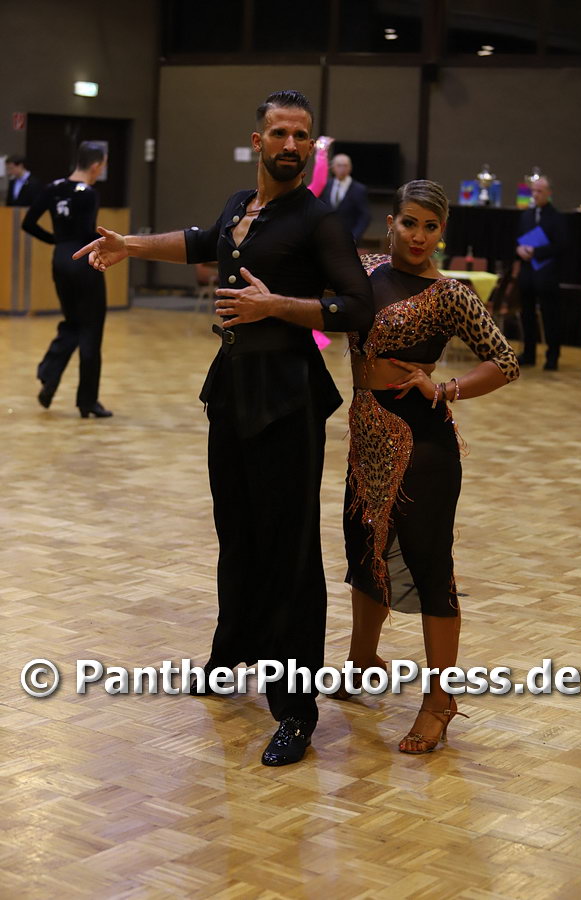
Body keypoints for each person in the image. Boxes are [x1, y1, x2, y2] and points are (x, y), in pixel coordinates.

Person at [73, 90, 373, 766]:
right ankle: (230, 655)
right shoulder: (242, 205)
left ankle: (295, 709)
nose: (291, 145)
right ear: (258, 140)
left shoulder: (318, 219)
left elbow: (357, 306)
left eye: (301, 135)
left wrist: (277, 306)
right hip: (234, 391)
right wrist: (130, 245)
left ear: (311, 144)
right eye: (279, 133)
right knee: (237, 535)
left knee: (290, 553)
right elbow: (203, 242)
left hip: (288, 400)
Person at [336, 180, 519, 754]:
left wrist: (446, 388)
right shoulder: (364, 270)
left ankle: (440, 701)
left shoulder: (451, 294)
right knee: (365, 548)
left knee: (428, 563)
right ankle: (362, 661)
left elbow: (505, 361)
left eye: (431, 227)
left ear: (442, 232)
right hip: (367, 435)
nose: (418, 236)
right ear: (390, 222)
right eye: (409, 222)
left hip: (423, 443)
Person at [22, 142, 112, 417]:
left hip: (60, 260)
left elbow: (28, 223)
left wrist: (56, 241)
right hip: (83, 262)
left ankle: (49, 375)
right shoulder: (89, 194)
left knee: (72, 322)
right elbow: (86, 233)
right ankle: (87, 402)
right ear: (95, 165)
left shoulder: (53, 187)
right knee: (91, 329)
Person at [516, 176, 567, 371]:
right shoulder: (526, 216)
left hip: (547, 275)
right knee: (527, 315)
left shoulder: (557, 217)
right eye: (533, 191)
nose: (535, 195)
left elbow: (561, 246)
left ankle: (552, 357)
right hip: (528, 274)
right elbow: (519, 240)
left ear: (549, 193)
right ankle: (529, 353)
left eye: (539, 191)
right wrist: (520, 250)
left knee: (550, 317)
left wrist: (536, 252)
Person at [321, 153, 371, 244]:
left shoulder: (359, 189)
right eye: (339, 165)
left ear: (350, 168)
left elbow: (365, 216)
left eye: (345, 165)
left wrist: (354, 237)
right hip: (326, 236)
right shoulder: (325, 185)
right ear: (333, 168)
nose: (342, 169)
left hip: (349, 238)